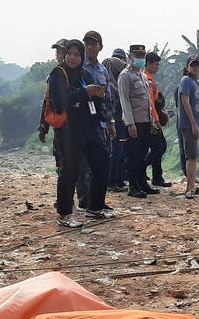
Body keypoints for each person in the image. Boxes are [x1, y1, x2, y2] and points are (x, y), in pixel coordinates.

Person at [49, 39, 110, 227]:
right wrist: (86, 92)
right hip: (69, 130)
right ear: (65, 55)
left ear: (82, 57)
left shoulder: (84, 74)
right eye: (70, 54)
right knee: (70, 171)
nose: (73, 58)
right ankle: (64, 214)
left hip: (89, 128)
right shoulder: (58, 74)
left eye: (77, 54)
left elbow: (92, 100)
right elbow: (60, 103)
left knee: (103, 163)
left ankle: (94, 207)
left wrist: (99, 95)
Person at [77, 31, 117, 213]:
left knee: (102, 163)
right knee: (85, 165)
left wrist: (111, 122)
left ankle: (97, 200)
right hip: (84, 123)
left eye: (94, 44)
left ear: (100, 46)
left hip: (101, 122)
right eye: (87, 43)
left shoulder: (102, 70)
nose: (90, 47)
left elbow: (108, 97)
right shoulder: (78, 67)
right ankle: (85, 201)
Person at [118, 44, 158, 199]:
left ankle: (142, 183)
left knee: (142, 155)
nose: (140, 59)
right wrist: (130, 123)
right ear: (130, 56)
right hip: (133, 122)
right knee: (132, 155)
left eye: (142, 56)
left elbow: (147, 99)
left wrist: (152, 119)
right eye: (137, 56)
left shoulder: (141, 75)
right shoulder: (125, 76)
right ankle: (133, 186)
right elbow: (125, 101)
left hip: (145, 121)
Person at [176, 55, 199, 198]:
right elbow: (185, 102)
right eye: (192, 64)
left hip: (198, 123)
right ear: (187, 67)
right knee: (191, 156)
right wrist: (193, 123)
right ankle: (190, 187)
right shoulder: (186, 80)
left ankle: (192, 184)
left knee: (194, 156)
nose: (195, 67)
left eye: (197, 64)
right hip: (190, 124)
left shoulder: (197, 82)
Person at [39, 39, 69, 172]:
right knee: (62, 162)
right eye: (57, 51)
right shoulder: (54, 75)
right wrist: (43, 127)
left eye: (62, 51)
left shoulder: (80, 73)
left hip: (77, 125)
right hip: (61, 125)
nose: (59, 54)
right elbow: (47, 102)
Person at [104, 48, 129, 192]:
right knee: (115, 150)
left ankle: (118, 180)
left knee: (119, 151)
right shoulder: (110, 85)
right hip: (114, 121)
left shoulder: (118, 82)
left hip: (120, 120)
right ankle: (112, 181)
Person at [144, 52, 171, 188]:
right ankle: (156, 176)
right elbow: (150, 103)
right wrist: (156, 121)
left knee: (159, 147)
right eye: (156, 64)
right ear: (149, 63)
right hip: (151, 119)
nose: (157, 67)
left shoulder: (151, 78)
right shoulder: (147, 79)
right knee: (158, 148)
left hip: (152, 118)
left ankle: (150, 172)